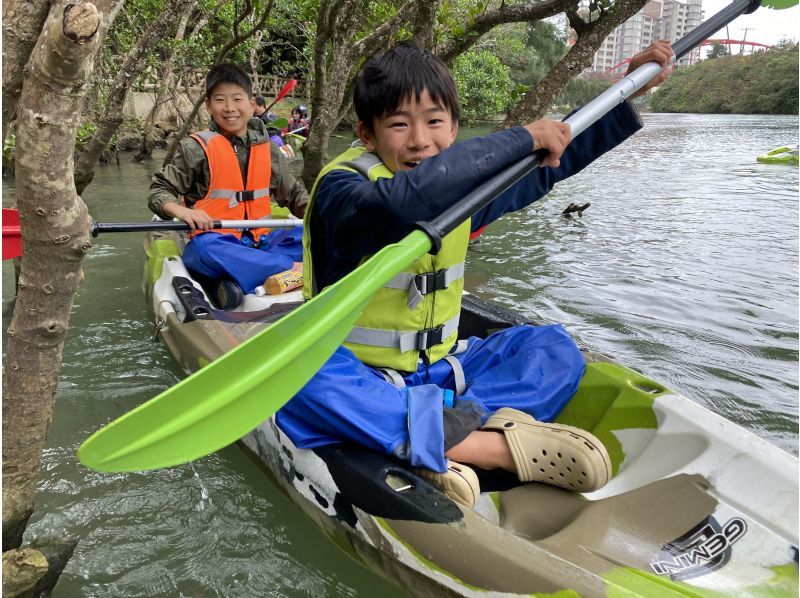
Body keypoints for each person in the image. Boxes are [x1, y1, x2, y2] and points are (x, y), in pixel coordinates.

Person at [276, 41, 674, 508]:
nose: (420, 140)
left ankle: (443, 435)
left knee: (552, 347)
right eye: (399, 124)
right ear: (367, 135)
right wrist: (520, 137)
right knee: (296, 376)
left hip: (443, 375)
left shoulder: (466, 187)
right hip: (358, 374)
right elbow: (406, 201)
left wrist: (628, 95)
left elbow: (551, 160)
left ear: (455, 127)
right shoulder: (343, 191)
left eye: (434, 122)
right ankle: (484, 447)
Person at [148, 64, 308, 308]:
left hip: (263, 242)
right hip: (219, 244)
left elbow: (295, 195)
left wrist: (320, 216)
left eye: (237, 99)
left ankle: (249, 277)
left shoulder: (269, 150)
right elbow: (159, 191)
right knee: (202, 250)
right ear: (209, 106)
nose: (230, 108)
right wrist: (184, 212)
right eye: (220, 100)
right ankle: (293, 269)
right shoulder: (195, 149)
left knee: (308, 234)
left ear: (251, 104)